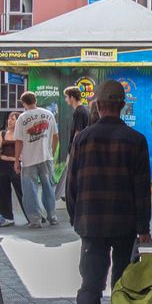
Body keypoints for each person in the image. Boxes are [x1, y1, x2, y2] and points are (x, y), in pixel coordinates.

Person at [70, 80, 152, 304]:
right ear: (122, 106)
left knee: (91, 284)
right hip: (125, 223)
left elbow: (72, 186)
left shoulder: (83, 139)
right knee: (123, 282)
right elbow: (142, 189)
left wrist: (76, 219)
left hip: (91, 223)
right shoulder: (136, 140)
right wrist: (144, 227)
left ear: (99, 105)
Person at [13, 92, 59, 228]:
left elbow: (19, 141)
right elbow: (56, 136)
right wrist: (51, 151)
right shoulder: (49, 114)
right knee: (48, 188)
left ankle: (35, 220)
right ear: (35, 100)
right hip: (46, 157)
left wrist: (16, 160)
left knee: (29, 190)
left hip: (28, 160)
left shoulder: (22, 118)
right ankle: (52, 216)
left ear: (23, 103)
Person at [58, 86, 91, 225]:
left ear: (72, 97)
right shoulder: (84, 110)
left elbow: (78, 132)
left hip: (77, 150)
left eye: (66, 97)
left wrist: (73, 151)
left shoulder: (79, 112)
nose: (66, 100)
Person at [0, 111, 26, 222]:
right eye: (9, 118)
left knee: (21, 189)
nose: (10, 121)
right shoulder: (3, 133)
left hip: (15, 164)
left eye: (13, 119)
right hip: (2, 164)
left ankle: (30, 215)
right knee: (2, 189)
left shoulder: (21, 134)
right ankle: (6, 216)